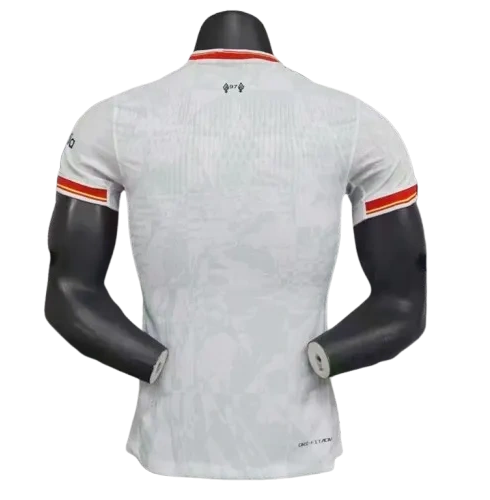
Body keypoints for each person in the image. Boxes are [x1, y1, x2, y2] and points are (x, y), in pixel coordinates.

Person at [45, 8, 427, 480]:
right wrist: (328, 357)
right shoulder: (357, 123)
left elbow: (68, 292)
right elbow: (404, 300)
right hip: (296, 443)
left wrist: (149, 363)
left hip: (173, 440)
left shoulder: (113, 121)